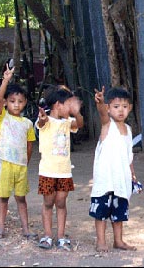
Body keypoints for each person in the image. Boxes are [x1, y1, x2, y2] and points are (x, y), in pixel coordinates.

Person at [89, 86, 137, 252]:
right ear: (109, 108)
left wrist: (132, 174)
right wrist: (101, 102)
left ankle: (118, 241)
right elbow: (102, 115)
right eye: (116, 107)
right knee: (101, 212)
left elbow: (128, 155)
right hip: (105, 179)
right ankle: (101, 241)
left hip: (121, 179)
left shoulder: (129, 130)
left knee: (119, 213)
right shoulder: (107, 126)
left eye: (124, 106)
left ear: (130, 108)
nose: (121, 110)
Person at [36, 85, 84, 251]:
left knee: (61, 203)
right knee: (48, 202)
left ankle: (61, 237)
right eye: (68, 105)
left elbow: (80, 124)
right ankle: (47, 235)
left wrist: (77, 113)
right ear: (58, 104)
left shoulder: (68, 122)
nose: (71, 109)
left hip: (64, 172)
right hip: (47, 171)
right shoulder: (46, 121)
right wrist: (42, 117)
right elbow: (42, 122)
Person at [0, 64, 37, 240]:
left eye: (20, 101)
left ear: (25, 102)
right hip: (5, 163)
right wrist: (5, 80)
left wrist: (25, 163)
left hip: (20, 166)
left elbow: (29, 146)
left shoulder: (27, 123)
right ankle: (1, 228)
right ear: (6, 103)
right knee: (3, 198)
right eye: (12, 101)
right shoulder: (3, 117)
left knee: (21, 199)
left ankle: (26, 229)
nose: (16, 105)